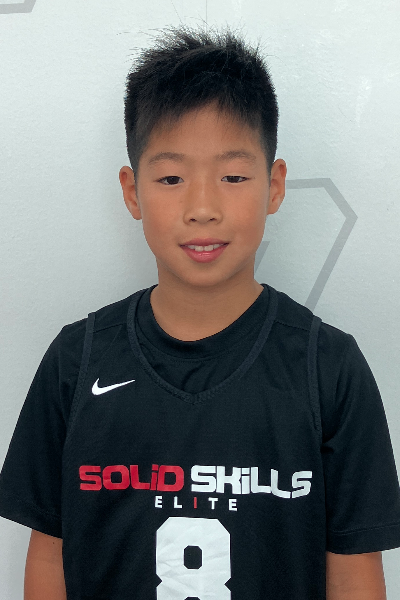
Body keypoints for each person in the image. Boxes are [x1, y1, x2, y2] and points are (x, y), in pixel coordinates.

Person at [1, 23, 400, 600]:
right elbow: (48, 556)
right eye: (171, 178)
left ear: (275, 186)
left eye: (233, 176)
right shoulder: (76, 361)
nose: (203, 207)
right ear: (132, 191)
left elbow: (354, 572)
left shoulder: (329, 368)